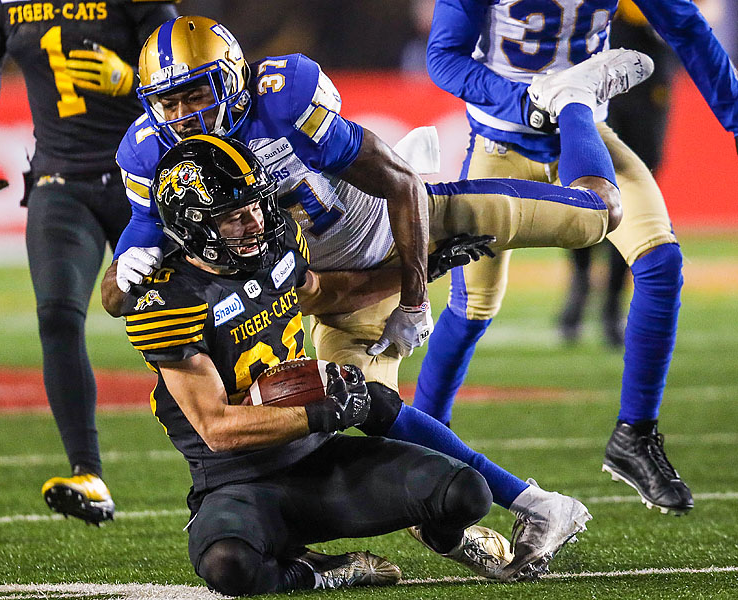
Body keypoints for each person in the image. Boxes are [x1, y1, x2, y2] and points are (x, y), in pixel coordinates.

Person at [101, 16, 652, 580]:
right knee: (355, 413)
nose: (182, 116)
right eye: (166, 103)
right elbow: (119, 291)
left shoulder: (283, 99)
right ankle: (521, 514)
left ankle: (575, 99)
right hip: (335, 284)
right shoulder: (156, 159)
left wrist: (414, 292)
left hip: (402, 227)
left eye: (194, 94)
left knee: (596, 215)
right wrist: (125, 273)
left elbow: (399, 184)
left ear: (233, 79)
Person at [119, 133, 566, 594]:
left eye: (256, 205)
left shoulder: (276, 247)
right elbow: (217, 428)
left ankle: (448, 538)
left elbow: (329, 293)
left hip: (318, 457)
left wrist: (416, 271)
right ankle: (321, 570)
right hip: (239, 483)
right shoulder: (168, 300)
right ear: (193, 227)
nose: (255, 222)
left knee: (467, 494)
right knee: (228, 565)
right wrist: (325, 412)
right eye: (235, 216)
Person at [421, 0, 738, 517]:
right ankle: (425, 441)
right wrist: (524, 101)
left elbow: (684, 26)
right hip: (502, 142)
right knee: (473, 306)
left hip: (583, 136)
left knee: (661, 263)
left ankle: (634, 436)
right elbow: (445, 57)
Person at [0, 0, 178, 525]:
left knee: (200, 315)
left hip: (144, 180)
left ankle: (252, 451)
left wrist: (130, 80)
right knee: (57, 317)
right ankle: (88, 472)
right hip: (61, 182)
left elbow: (190, 70)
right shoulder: (8, 6)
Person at [558, 0, 679, 348]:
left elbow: (700, 13)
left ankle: (612, 303)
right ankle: (580, 283)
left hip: (648, 85)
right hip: (598, 85)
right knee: (585, 190)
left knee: (632, 198)